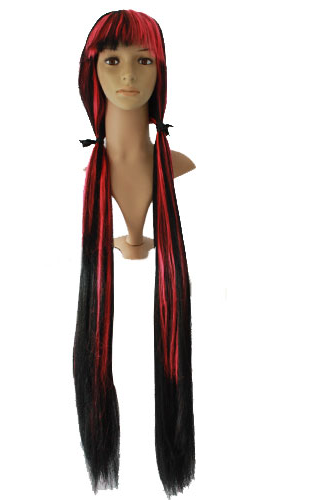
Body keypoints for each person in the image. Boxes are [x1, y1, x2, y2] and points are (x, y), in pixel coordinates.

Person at [73, 10, 196, 498]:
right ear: (92, 72)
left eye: (143, 60)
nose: (128, 75)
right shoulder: (83, 179)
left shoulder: (179, 167)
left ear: (159, 70)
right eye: (112, 60)